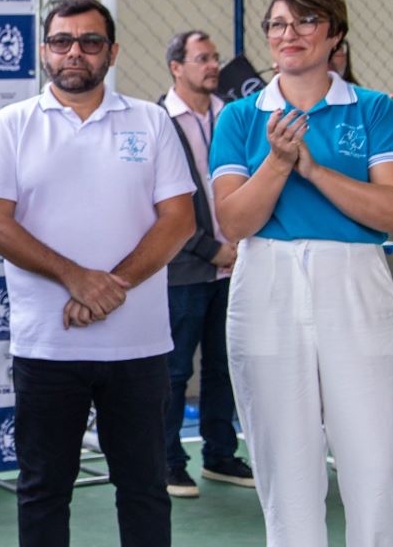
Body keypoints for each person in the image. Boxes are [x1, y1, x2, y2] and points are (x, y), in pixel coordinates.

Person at [0, 0, 195, 546]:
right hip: (49, 348)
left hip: (139, 349)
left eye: (90, 42)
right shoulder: (10, 125)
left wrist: (107, 287)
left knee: (144, 489)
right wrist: (78, 279)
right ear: (45, 51)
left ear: (112, 52)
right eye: (62, 41)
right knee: (44, 490)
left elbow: (179, 221)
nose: (76, 52)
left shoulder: (151, 121)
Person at [210, 0, 393, 545]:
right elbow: (233, 223)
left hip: (353, 281)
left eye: (305, 22)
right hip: (265, 283)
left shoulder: (375, 109)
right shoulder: (240, 118)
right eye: (278, 24)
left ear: (335, 35)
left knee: (377, 462)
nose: (289, 34)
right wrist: (277, 164)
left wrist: (314, 170)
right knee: (285, 467)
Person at [158, 31, 254, 498]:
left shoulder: (232, 115)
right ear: (177, 67)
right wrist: (208, 247)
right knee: (175, 370)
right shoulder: (158, 120)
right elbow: (158, 203)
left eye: (215, 57)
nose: (213, 65)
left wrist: (237, 244)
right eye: (202, 58)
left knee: (224, 365)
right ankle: (168, 461)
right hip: (186, 269)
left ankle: (220, 454)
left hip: (236, 265)